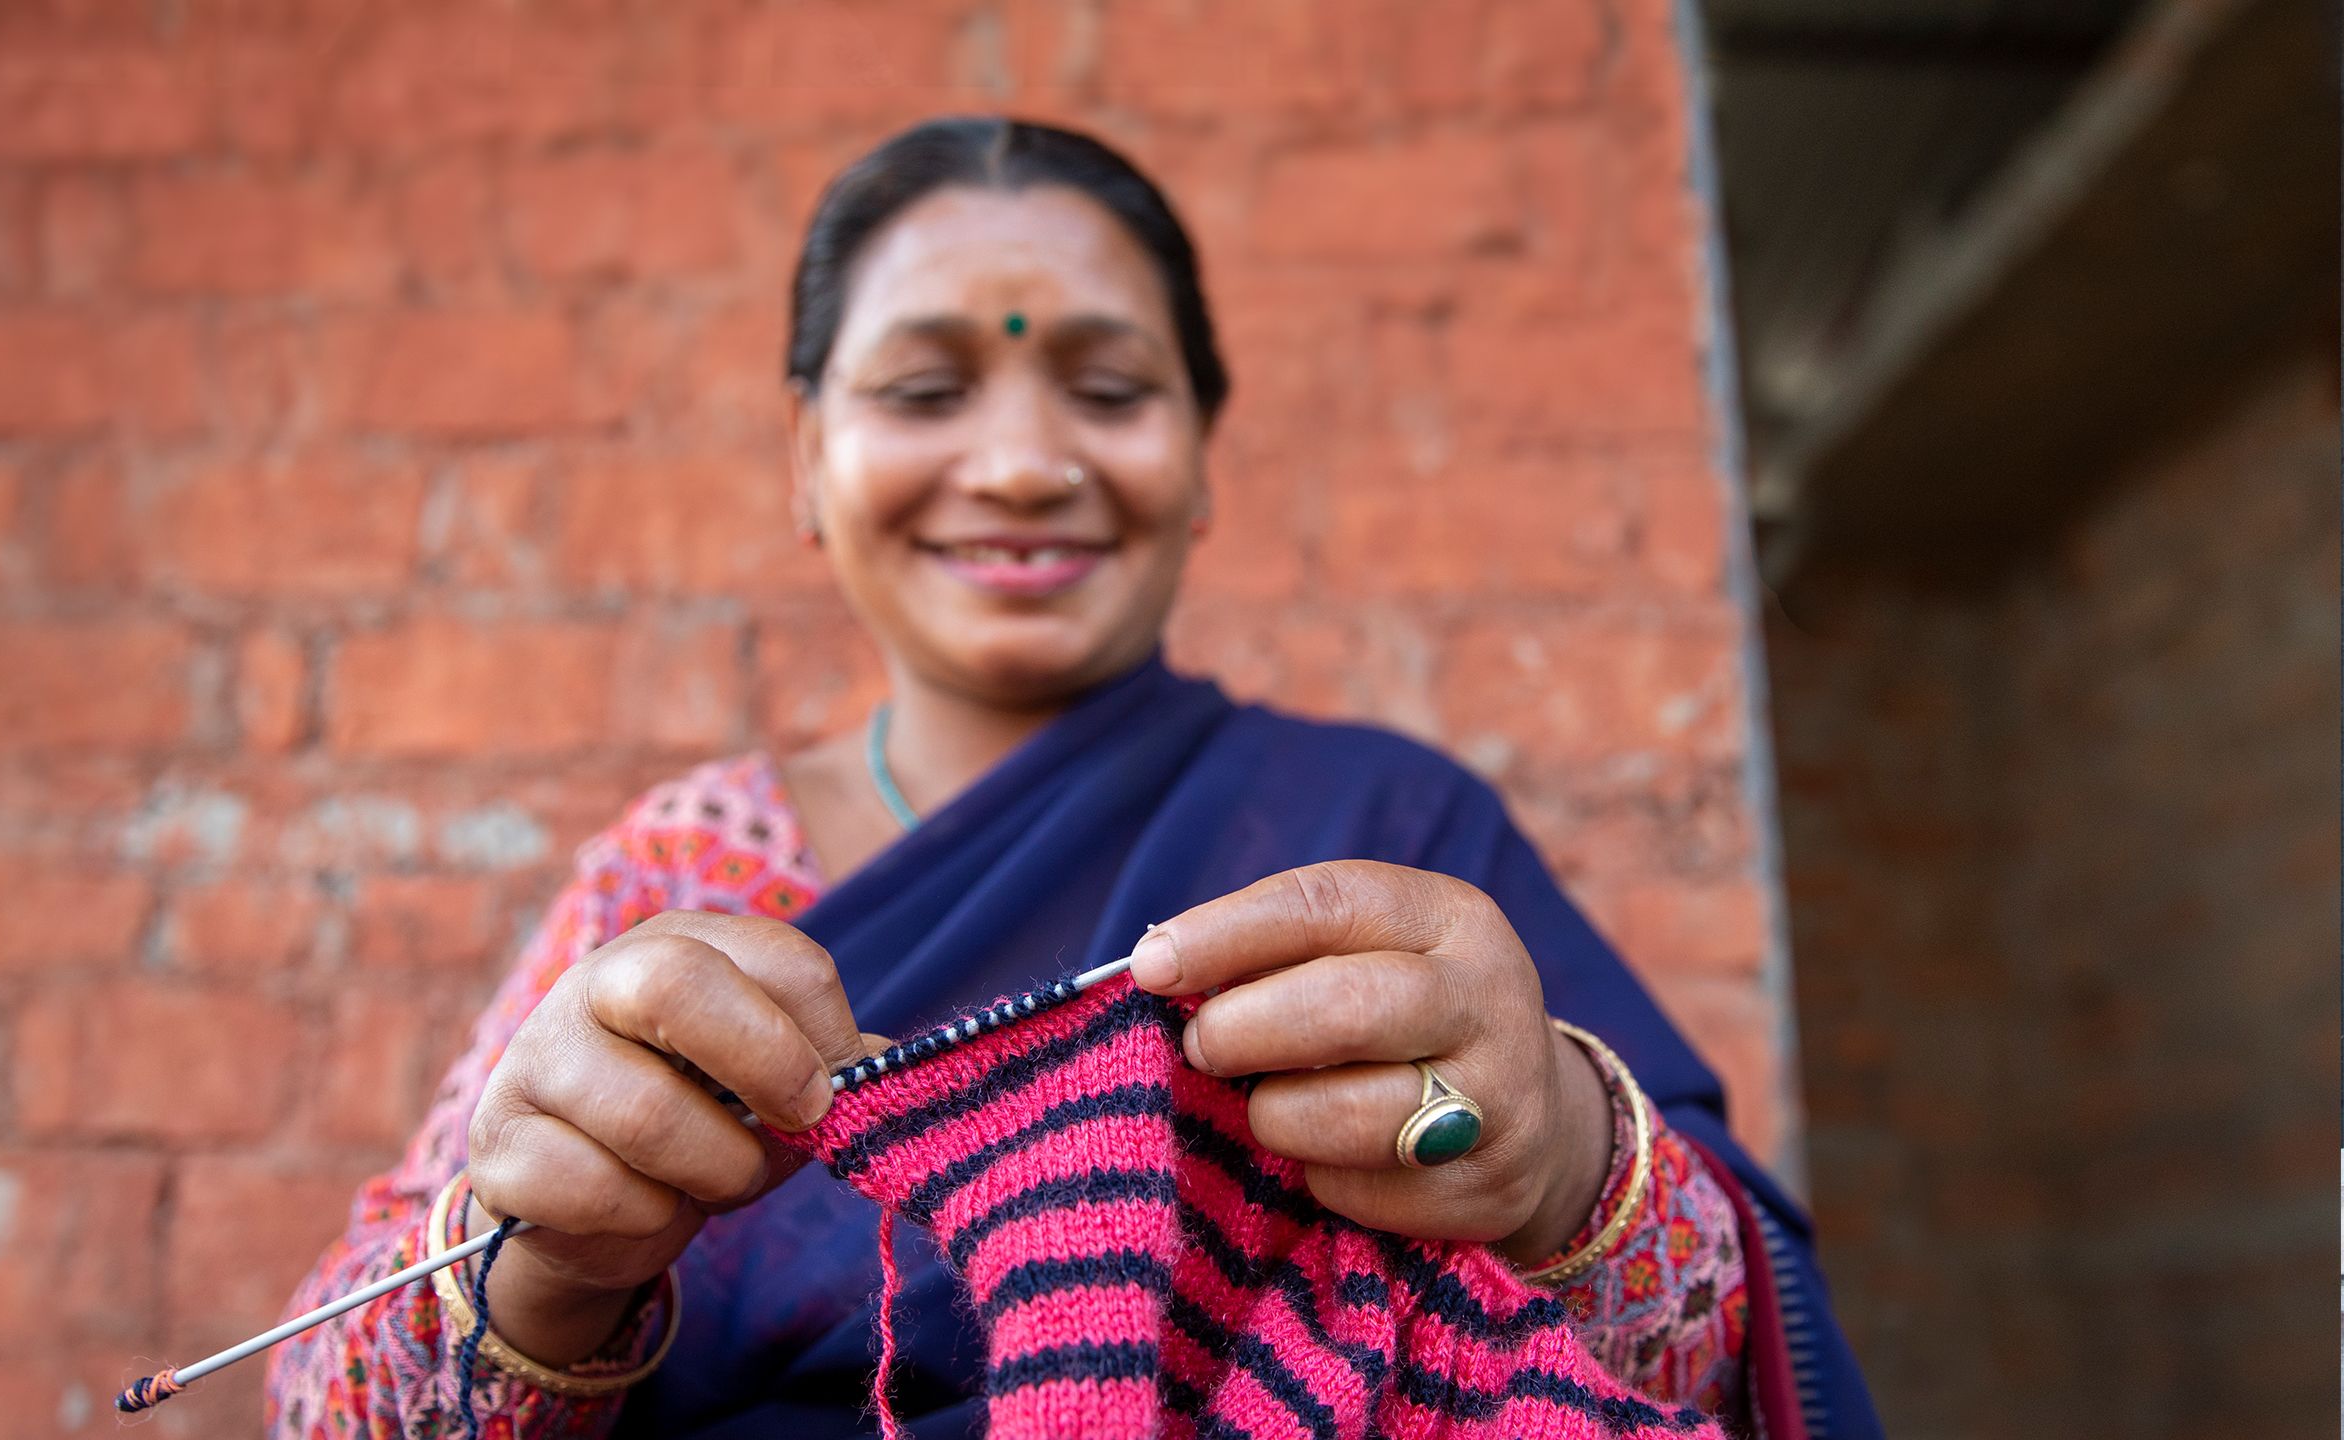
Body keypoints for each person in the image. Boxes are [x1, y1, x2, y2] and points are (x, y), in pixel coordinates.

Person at [270, 116, 1880, 1440]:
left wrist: (1561, 1164)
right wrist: (543, 1278)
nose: (1028, 462)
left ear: (1199, 465)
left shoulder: (1384, 837)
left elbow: (1710, 1371)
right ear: (803, 464)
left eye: (1109, 391)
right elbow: (325, 1414)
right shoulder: (681, 881)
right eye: (924, 390)